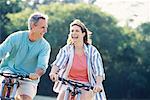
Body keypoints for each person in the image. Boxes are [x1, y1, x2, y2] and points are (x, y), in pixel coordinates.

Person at [49, 19, 106, 100]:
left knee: (85, 96)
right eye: (72, 31)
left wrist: (98, 84)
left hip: (86, 85)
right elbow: (58, 63)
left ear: (83, 34)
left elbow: (98, 70)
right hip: (68, 82)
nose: (74, 33)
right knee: (61, 96)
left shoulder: (92, 51)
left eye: (77, 31)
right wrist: (53, 73)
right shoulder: (66, 49)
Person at [0, 12, 51, 100]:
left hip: (28, 78)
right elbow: (1, 51)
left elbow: (42, 65)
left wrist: (36, 74)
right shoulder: (16, 37)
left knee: (26, 98)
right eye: (43, 27)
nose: (45, 31)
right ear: (32, 26)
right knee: (7, 82)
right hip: (10, 71)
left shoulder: (45, 46)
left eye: (46, 27)